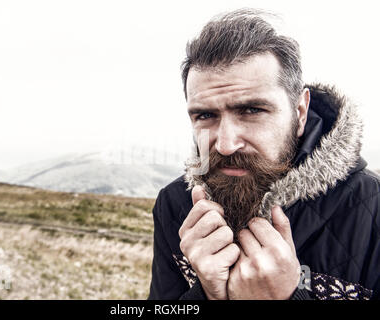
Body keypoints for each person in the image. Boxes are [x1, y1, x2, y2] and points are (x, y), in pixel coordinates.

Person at [148, 8, 380, 300]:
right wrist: (206, 292)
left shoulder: (373, 210)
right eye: (205, 115)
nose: (225, 145)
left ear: (300, 112)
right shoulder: (176, 206)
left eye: (252, 110)